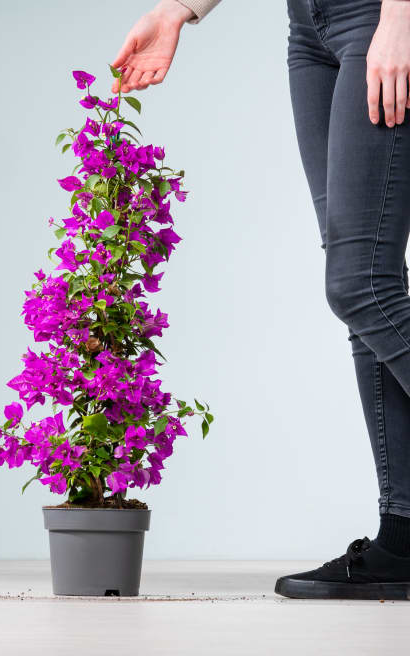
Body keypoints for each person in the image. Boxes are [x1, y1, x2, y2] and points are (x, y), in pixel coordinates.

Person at [111, 0, 410, 600]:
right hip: (311, 29)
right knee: (367, 293)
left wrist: (402, 20)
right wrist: (177, 10)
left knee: (361, 286)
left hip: (379, 15)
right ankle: (404, 537)